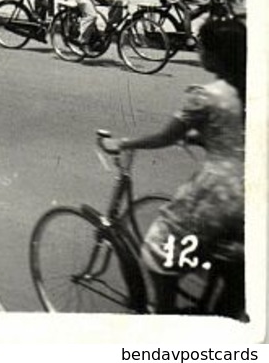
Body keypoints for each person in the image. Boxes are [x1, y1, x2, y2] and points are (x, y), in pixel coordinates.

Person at [104, 19, 245, 316]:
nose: (198, 50)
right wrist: (203, 137)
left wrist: (124, 143)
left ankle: (165, 322)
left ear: (216, 54)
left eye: (202, 46)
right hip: (251, 195)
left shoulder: (204, 96)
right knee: (232, 271)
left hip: (218, 195)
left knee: (157, 251)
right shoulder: (248, 90)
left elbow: (165, 137)